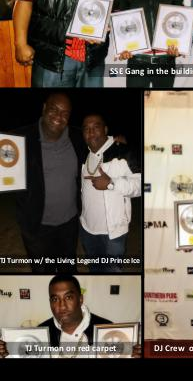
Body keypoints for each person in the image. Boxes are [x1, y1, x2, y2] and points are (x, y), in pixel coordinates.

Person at [13, 93, 85, 273]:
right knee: (42, 271)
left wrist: (117, 142)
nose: (59, 117)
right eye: (54, 109)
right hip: (37, 226)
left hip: (69, 224)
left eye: (65, 113)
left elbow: (100, 145)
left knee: (68, 268)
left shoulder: (78, 137)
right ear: (44, 108)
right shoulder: (20, 138)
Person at [0, 275, 141, 358]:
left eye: (68, 297)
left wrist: (133, 355)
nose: (61, 306)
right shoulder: (40, 333)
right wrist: (7, 352)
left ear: (80, 299)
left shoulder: (106, 329)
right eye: (55, 299)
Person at [80, 114, 141, 272]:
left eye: (96, 127)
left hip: (112, 234)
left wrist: (111, 183)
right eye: (86, 129)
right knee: (94, 269)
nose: (91, 132)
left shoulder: (123, 152)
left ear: (105, 129)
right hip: (87, 229)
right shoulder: (83, 153)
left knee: (112, 274)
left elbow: (141, 185)